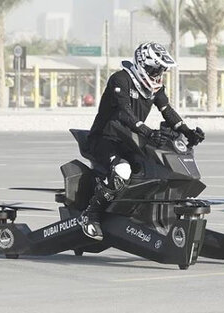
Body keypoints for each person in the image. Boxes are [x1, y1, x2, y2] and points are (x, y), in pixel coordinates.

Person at [79, 42, 205, 240]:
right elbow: (124, 112)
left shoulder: (155, 87)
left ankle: (147, 216)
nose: (157, 73)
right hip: (105, 138)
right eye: (154, 68)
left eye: (160, 69)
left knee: (152, 168)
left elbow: (167, 111)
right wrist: (147, 131)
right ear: (141, 64)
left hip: (129, 140)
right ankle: (90, 215)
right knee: (122, 171)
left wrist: (188, 131)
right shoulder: (120, 79)